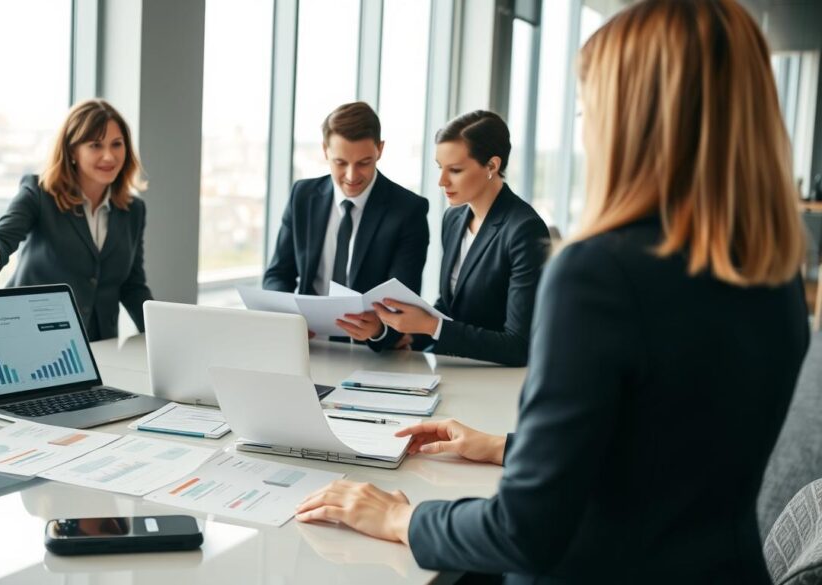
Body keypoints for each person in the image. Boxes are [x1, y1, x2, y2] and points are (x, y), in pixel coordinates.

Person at [295, 1, 809, 582]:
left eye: (589, 109)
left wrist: (402, 519)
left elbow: (524, 533)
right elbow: (664, 451)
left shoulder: (599, 273)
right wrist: (508, 448)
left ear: (633, 121)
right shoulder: (774, 269)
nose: (586, 129)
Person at [340, 111, 550, 365]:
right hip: (453, 368)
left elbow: (518, 345)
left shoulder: (524, 230)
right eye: (440, 168)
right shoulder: (455, 218)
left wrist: (432, 326)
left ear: (492, 166)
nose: (441, 181)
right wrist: (407, 333)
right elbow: (451, 306)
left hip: (497, 380)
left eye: (455, 170)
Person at [0, 99, 153, 341]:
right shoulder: (38, 193)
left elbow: (132, 286)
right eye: (95, 145)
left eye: (117, 144)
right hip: (31, 338)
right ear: (72, 150)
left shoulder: (133, 210)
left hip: (99, 345)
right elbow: (4, 237)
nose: (109, 156)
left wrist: (161, 335)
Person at [262, 101, 429, 339]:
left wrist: (379, 331)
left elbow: (404, 302)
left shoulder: (408, 210)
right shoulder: (303, 195)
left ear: (379, 150)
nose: (351, 176)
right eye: (340, 163)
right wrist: (286, 317)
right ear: (325, 151)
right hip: (307, 343)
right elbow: (278, 274)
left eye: (364, 163)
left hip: (369, 351)